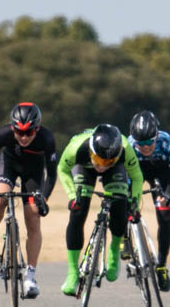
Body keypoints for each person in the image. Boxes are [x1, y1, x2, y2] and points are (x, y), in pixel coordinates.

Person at [0, 102, 57, 298]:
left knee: (33, 216)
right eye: (18, 132)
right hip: (9, 165)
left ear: (37, 129)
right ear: (12, 127)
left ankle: (30, 276)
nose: (23, 137)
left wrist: (44, 199)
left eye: (29, 132)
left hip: (34, 171)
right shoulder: (0, 135)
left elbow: (52, 174)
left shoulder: (47, 139)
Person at [57, 124, 143, 296]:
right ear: (91, 149)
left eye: (108, 162)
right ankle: (73, 273)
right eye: (99, 159)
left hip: (116, 171)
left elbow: (137, 177)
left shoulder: (125, 148)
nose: (102, 166)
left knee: (121, 204)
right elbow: (62, 169)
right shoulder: (76, 147)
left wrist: (134, 203)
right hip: (84, 167)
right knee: (78, 211)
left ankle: (113, 250)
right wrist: (73, 196)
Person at [127, 110, 170, 292]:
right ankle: (124, 240)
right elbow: (123, 176)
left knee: (165, 218)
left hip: (162, 174)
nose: (144, 147)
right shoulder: (128, 146)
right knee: (125, 201)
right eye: (140, 143)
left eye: (149, 142)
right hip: (137, 172)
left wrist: (168, 193)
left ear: (156, 136)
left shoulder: (167, 141)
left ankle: (161, 265)